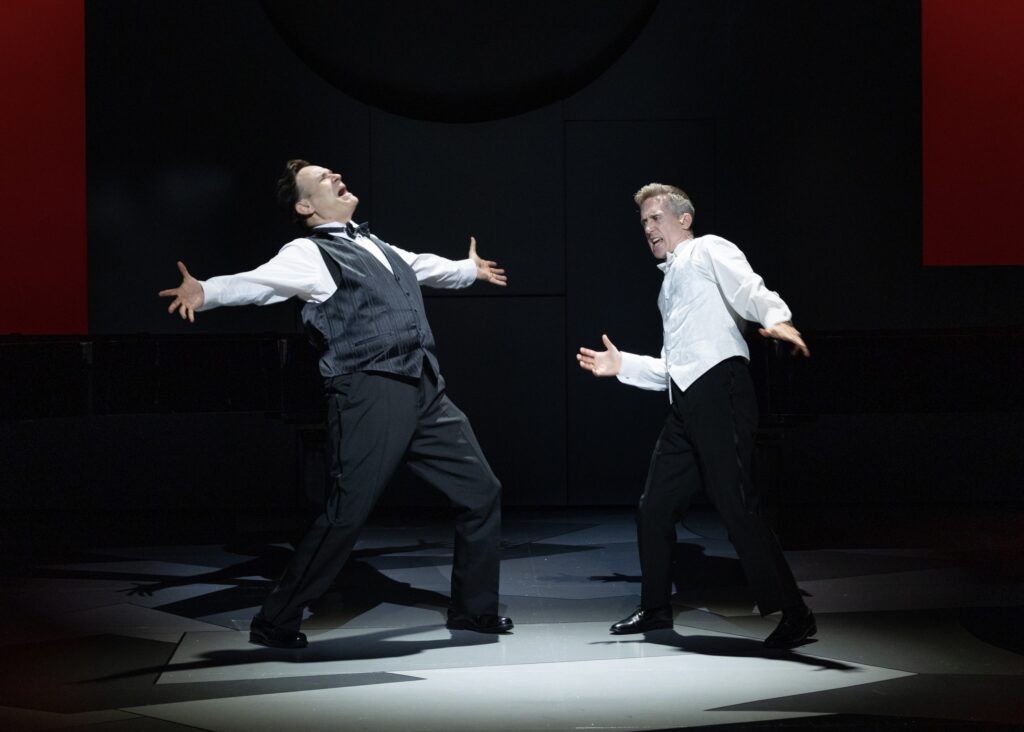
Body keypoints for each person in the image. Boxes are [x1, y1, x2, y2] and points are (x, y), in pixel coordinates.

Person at [160, 159, 512, 648]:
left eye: (333, 173)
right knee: (347, 512)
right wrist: (208, 292)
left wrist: (467, 270)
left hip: (425, 389)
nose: (335, 177)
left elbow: (427, 267)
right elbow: (260, 282)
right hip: (369, 391)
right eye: (322, 178)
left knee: (482, 491)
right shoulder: (307, 252)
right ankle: (276, 619)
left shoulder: (375, 244)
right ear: (305, 205)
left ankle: (474, 612)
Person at [576, 183, 815, 649]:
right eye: (643, 223)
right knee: (654, 506)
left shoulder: (708, 249)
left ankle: (795, 612)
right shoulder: (668, 287)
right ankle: (655, 607)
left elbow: (748, 286)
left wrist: (776, 316)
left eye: (656, 218)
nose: (648, 229)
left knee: (735, 502)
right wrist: (622, 364)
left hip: (721, 388)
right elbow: (672, 366)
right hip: (685, 401)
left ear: (684, 219)